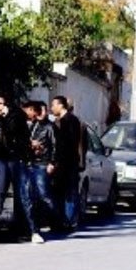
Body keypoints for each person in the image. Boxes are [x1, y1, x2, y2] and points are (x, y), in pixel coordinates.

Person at [0, 95, 39, 243]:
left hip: (15, 159)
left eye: (3, 103)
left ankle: (32, 230)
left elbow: (10, 131)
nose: (1, 106)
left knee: (22, 194)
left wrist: (3, 117)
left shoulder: (15, 115)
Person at [23, 101, 59, 240]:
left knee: (44, 194)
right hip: (32, 162)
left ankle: (55, 218)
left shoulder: (50, 127)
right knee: (33, 195)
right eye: (39, 111)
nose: (40, 113)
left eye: (43, 111)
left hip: (43, 163)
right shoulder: (33, 125)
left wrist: (52, 162)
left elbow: (55, 146)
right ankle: (38, 221)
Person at [51, 96, 82, 231]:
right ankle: (61, 221)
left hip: (68, 163)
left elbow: (67, 144)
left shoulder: (68, 121)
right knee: (61, 192)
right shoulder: (62, 121)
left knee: (69, 192)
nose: (52, 108)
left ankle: (68, 222)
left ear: (61, 105)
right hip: (64, 163)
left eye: (53, 105)